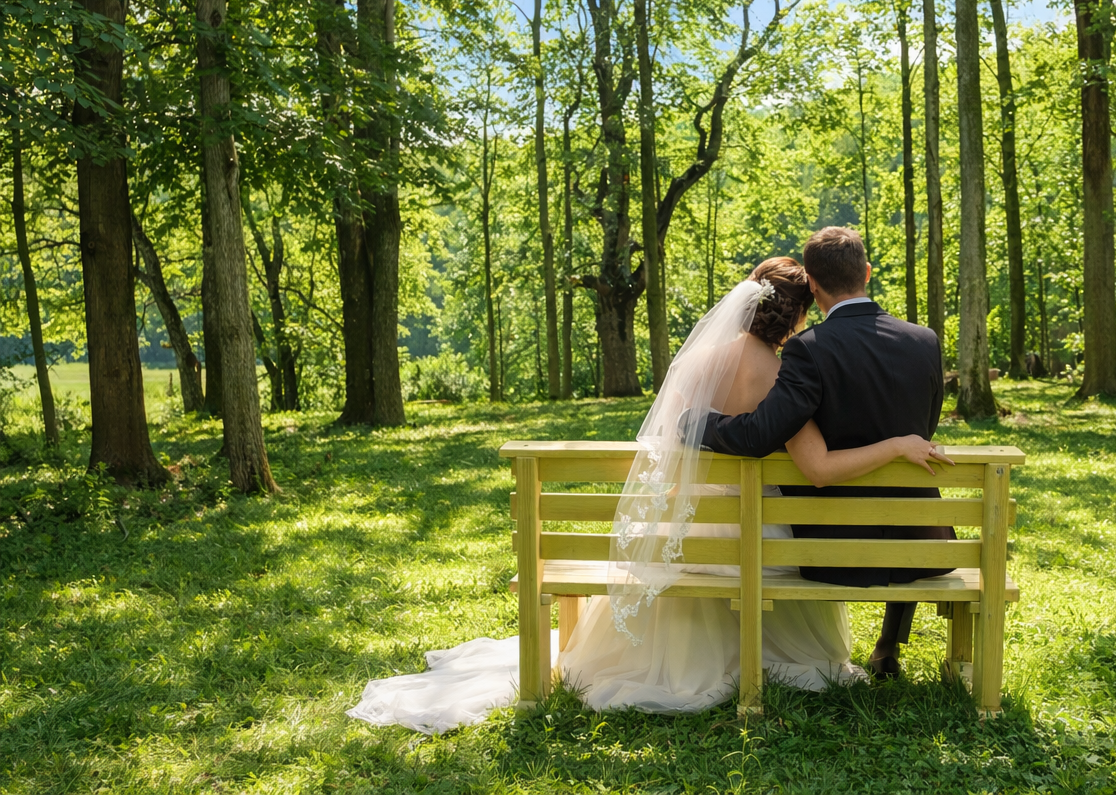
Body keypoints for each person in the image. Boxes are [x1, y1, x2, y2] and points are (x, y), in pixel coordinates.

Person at [347, 255, 946, 733]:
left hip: (691, 531)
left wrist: (692, 429)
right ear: (798, 310)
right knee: (777, 541)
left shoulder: (705, 357)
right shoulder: (784, 369)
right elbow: (801, 455)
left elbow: (684, 430)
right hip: (758, 534)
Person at [701, 227, 952, 680]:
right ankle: (887, 645)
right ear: (868, 273)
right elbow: (923, 430)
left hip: (832, 551)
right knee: (907, 501)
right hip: (921, 543)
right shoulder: (925, 342)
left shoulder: (808, 349)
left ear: (813, 285)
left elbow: (760, 434)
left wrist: (697, 424)